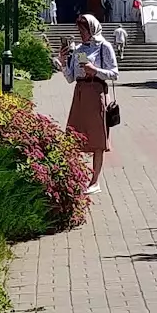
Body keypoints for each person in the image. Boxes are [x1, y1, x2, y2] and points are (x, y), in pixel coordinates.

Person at [59, 13, 119, 195]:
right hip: (80, 93)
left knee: (97, 139)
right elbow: (70, 78)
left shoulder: (104, 47)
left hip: (96, 93)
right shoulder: (79, 49)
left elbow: (114, 73)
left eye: (84, 30)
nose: (81, 34)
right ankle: (75, 178)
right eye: (79, 30)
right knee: (74, 136)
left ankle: (95, 181)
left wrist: (95, 70)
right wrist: (62, 63)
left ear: (92, 29)